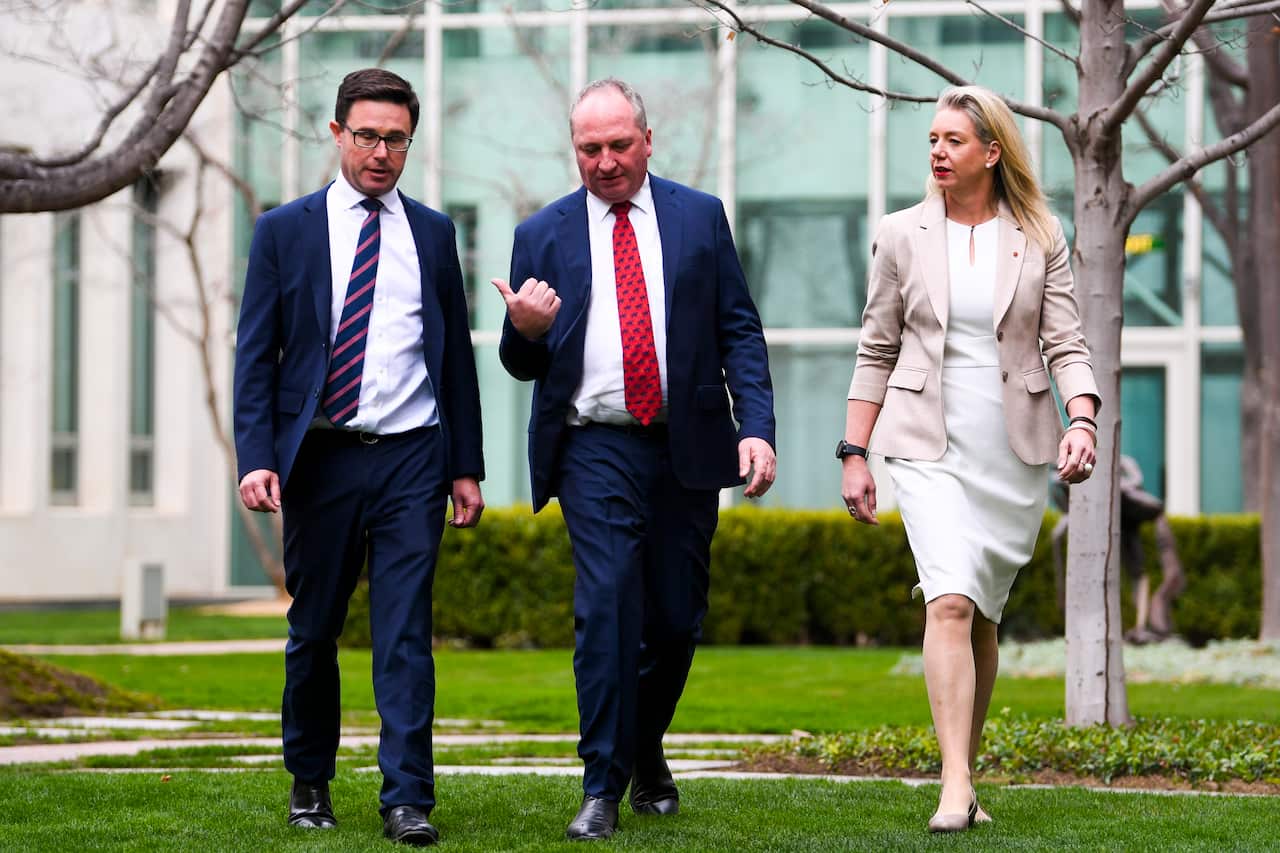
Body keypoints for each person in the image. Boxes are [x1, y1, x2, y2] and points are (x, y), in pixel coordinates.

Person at [492, 78, 776, 841]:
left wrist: (758, 426)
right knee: (609, 604)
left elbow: (739, 331)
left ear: (648, 141)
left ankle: (644, 745)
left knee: (677, 617)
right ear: (574, 150)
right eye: (590, 148)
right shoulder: (541, 233)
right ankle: (601, 784)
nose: (606, 161)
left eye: (620, 145)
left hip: (687, 443)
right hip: (593, 443)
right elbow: (523, 363)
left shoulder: (699, 218)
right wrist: (522, 329)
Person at [233, 68, 485, 847]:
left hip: (413, 455)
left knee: (405, 629)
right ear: (336, 133)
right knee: (315, 626)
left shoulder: (435, 234)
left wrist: (465, 464)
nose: (381, 151)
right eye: (367, 135)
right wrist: (257, 454)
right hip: (321, 457)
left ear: (411, 141)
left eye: (396, 137)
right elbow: (256, 357)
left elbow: (453, 361)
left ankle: (408, 796)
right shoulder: (285, 230)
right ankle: (310, 782)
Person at [839, 85, 1100, 833]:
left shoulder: (1041, 234)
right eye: (931, 139)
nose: (937, 152)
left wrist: (1080, 419)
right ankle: (954, 783)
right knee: (947, 598)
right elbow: (876, 347)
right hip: (923, 443)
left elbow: (1066, 343)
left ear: (992, 151)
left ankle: (965, 774)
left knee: (981, 610)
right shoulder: (900, 234)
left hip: (1011, 445)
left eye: (953, 140)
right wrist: (854, 451)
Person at [1050, 455, 1185, 642]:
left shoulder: (1122, 461)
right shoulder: (1069, 465)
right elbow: (1058, 487)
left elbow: (1136, 479)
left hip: (1127, 515)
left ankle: (1141, 623)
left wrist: (1109, 484)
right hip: (1096, 516)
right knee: (1064, 540)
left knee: (1137, 570)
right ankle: (1075, 616)